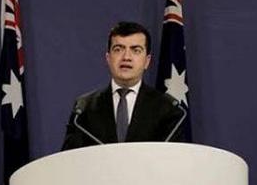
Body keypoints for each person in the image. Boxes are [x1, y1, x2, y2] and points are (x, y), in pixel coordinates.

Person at [61, 21, 185, 151]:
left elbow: (173, 161)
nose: (126, 57)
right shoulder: (84, 108)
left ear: (147, 61)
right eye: (118, 49)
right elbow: (70, 161)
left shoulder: (167, 109)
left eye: (136, 50)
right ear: (108, 59)